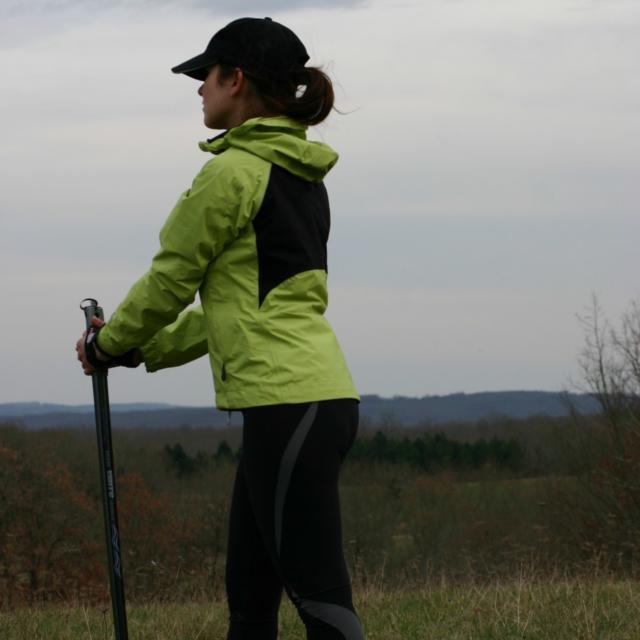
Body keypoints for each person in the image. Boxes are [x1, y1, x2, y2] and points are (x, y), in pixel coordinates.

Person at [75, 16, 365, 640]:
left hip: (287, 400)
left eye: (205, 75)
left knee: (321, 600)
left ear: (236, 80)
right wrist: (138, 350)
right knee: (251, 598)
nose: (198, 89)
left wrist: (109, 343)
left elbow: (170, 282)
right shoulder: (299, 177)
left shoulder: (232, 173)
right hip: (307, 399)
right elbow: (227, 314)